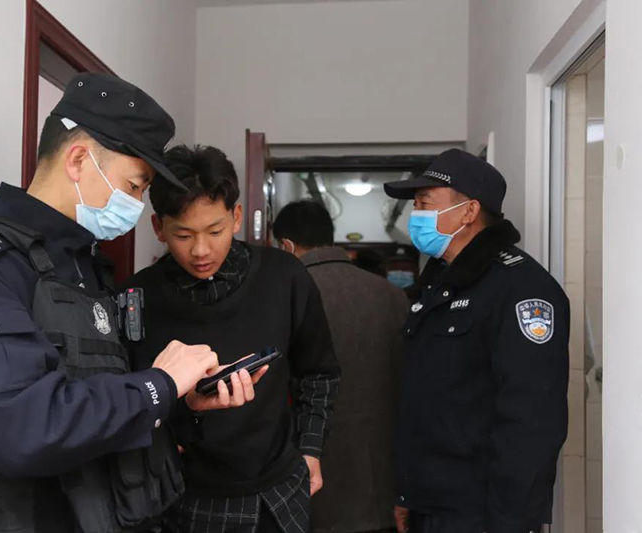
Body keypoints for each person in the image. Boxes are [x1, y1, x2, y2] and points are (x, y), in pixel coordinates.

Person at [0, 73, 262, 533]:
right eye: (134, 186)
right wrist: (159, 384)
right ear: (79, 160)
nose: (137, 204)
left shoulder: (86, 268)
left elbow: (99, 412)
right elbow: (23, 430)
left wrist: (182, 401)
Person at [123, 145, 341, 533]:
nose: (201, 250)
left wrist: (311, 449)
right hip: (185, 497)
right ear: (158, 227)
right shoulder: (137, 298)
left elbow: (319, 373)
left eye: (215, 231)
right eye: (183, 235)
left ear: (237, 217)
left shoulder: (284, 277)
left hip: (279, 489)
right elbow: (130, 404)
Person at [383, 149, 570, 533]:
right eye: (415, 206)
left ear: (468, 211)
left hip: (482, 513)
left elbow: (531, 422)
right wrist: (408, 494)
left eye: (424, 204)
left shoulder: (520, 289)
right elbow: (426, 398)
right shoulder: (439, 282)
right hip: (432, 503)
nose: (415, 216)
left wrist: (509, 522)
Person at [273, 200, 409, 533]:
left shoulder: (285, 295)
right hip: (383, 482)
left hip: (312, 480)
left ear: (286, 245)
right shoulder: (393, 295)